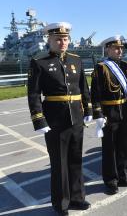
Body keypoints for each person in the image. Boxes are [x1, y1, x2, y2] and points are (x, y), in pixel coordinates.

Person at [27, 22, 92, 215]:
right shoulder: (39, 61)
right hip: (55, 120)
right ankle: (61, 203)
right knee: (59, 164)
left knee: (75, 160)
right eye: (57, 39)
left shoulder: (76, 60)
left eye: (65, 39)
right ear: (50, 40)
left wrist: (88, 110)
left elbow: (83, 88)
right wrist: (39, 120)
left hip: (76, 118)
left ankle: (77, 197)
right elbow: (33, 94)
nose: (62, 42)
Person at [91, 35, 127, 195]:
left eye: (121, 48)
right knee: (109, 149)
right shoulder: (101, 68)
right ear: (107, 49)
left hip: (123, 109)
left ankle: (123, 175)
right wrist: (98, 113)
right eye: (116, 48)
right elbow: (95, 93)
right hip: (109, 112)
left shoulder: (126, 67)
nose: (120, 50)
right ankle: (110, 181)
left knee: (122, 145)